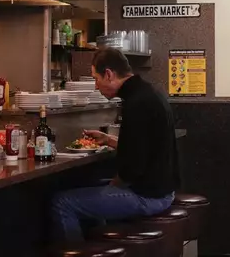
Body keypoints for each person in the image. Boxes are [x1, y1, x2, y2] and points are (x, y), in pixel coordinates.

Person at [50, 47, 180, 243]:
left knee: (62, 202)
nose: (95, 86)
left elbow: (131, 169)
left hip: (149, 196)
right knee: (92, 188)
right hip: (163, 189)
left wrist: (113, 186)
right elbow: (145, 146)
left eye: (96, 78)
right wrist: (108, 140)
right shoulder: (150, 92)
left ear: (109, 74)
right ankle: (102, 247)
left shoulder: (136, 104)